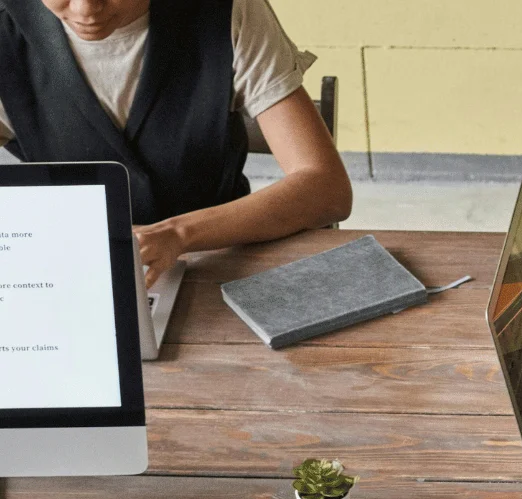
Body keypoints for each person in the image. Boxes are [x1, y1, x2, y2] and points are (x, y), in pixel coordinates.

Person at [0, 0, 352, 286]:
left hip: (222, 260)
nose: (85, 9)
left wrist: (180, 234)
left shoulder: (226, 10)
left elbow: (326, 188)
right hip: (75, 271)